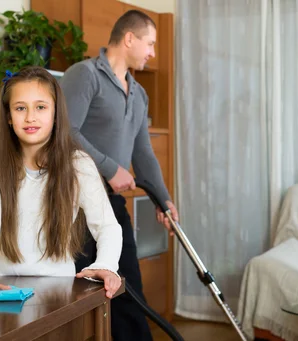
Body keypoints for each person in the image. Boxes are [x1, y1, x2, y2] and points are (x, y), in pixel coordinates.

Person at [60, 9, 179, 341]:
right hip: (75, 207)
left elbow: (143, 153)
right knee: (82, 297)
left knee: (129, 290)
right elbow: (64, 132)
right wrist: (111, 168)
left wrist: (163, 198)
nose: (153, 53)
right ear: (129, 39)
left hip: (110, 206)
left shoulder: (139, 94)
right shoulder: (84, 75)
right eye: (150, 44)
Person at [0, 66, 123, 300]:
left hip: (61, 292)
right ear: (8, 116)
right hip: (5, 291)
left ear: (56, 113)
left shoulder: (79, 164)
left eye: (40, 107)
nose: (30, 117)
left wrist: (106, 265)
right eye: (20, 108)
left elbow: (107, 226)